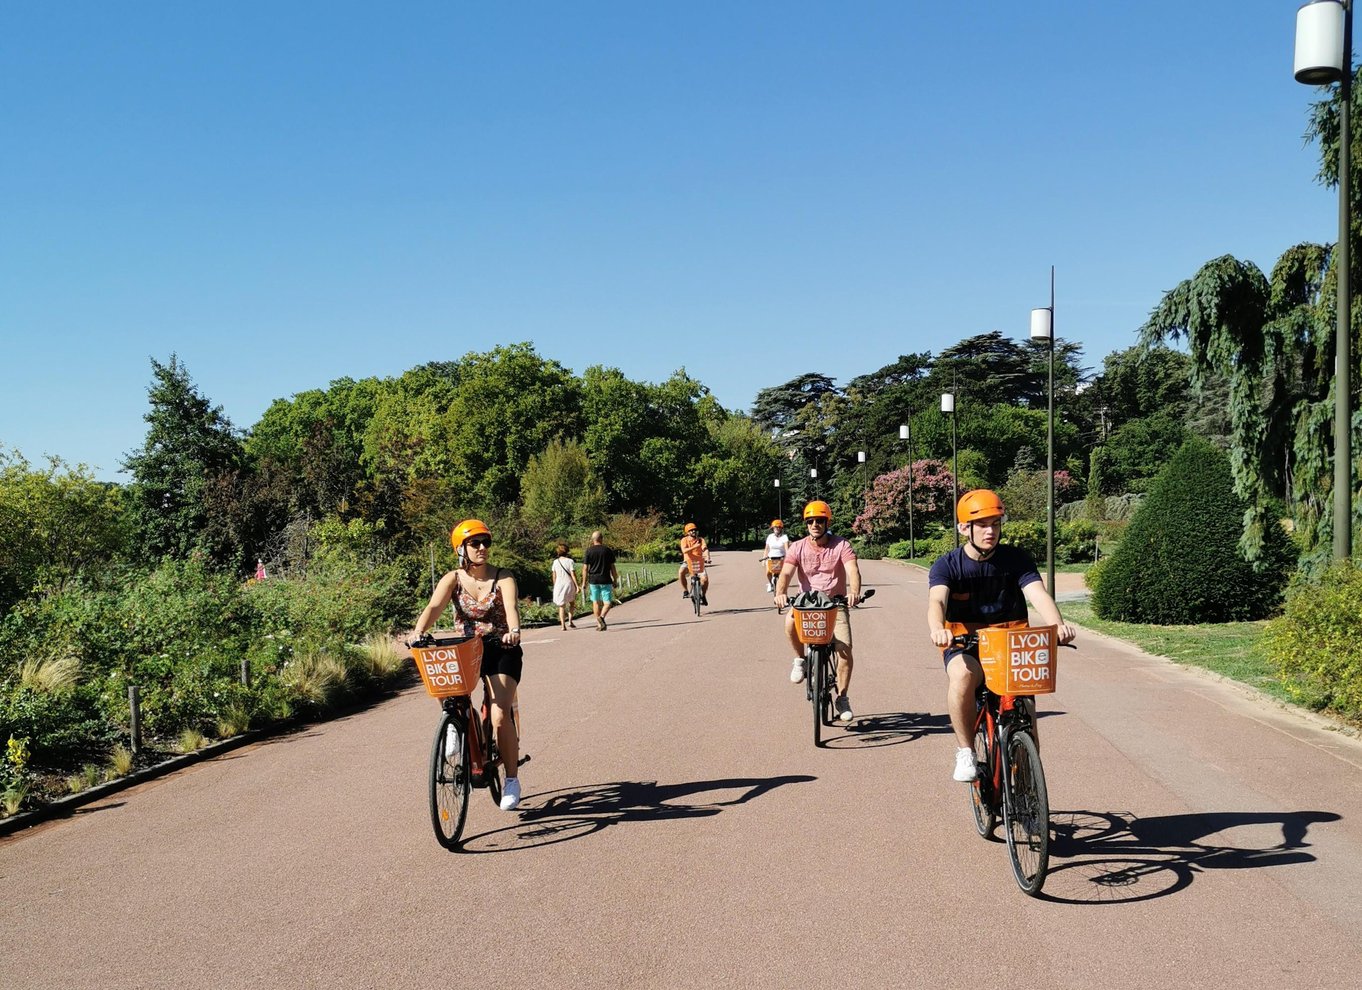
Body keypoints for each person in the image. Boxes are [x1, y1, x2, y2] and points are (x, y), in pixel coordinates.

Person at [926, 489, 1077, 783]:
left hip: (1011, 641)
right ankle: (966, 751)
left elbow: (1038, 594)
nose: (990, 531)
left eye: (995, 523)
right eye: (982, 524)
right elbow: (937, 602)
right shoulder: (947, 565)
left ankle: (1026, 779)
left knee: (1026, 711)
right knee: (963, 677)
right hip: (964, 641)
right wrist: (937, 629)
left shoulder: (1016, 560)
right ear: (963, 528)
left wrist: (1057, 625)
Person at [411, 519, 525, 811]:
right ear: (461, 548)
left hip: (502, 648)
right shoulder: (453, 579)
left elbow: (511, 608)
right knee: (446, 687)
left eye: (486, 542)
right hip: (467, 649)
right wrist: (417, 633)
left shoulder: (503, 577)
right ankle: (454, 727)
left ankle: (511, 779)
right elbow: (434, 607)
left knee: (500, 714)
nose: (483, 548)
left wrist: (513, 630)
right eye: (475, 543)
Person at [774, 500, 862, 721]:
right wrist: (780, 592)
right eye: (810, 521)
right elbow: (785, 574)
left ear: (826, 522)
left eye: (819, 521)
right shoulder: (797, 547)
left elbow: (853, 570)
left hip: (835, 603)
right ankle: (800, 660)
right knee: (789, 622)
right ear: (806, 524)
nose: (815, 524)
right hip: (807, 602)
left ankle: (842, 697)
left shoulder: (842, 545)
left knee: (844, 648)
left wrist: (854, 592)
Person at [580, 531, 619, 631]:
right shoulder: (607, 550)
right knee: (607, 603)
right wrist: (615, 579)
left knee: (595, 602)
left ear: (593, 539)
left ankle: (599, 623)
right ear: (601, 538)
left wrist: (584, 582)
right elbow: (612, 567)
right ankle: (601, 618)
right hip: (605, 579)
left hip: (593, 580)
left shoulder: (589, 551)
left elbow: (585, 568)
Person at [677, 523, 711, 602]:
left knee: (705, 580)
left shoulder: (700, 540)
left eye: (695, 530)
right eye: (691, 530)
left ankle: (703, 595)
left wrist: (708, 557)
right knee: (681, 572)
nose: (693, 531)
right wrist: (695, 546)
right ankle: (685, 591)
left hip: (699, 562)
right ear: (687, 532)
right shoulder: (684, 540)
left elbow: (705, 549)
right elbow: (684, 551)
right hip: (688, 562)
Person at [550, 543, 578, 631]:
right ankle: (570, 621)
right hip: (569, 584)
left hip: (559, 584)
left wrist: (555, 586)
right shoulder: (570, 561)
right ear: (567, 551)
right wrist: (577, 585)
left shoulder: (555, 562)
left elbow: (554, 575)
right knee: (572, 603)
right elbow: (573, 574)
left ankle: (563, 625)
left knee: (561, 606)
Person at [761, 519, 789, 593]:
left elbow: (787, 549)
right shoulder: (770, 537)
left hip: (781, 558)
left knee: (782, 574)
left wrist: (788, 558)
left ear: (781, 528)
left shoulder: (784, 537)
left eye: (779, 527)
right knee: (768, 572)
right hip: (771, 557)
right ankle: (770, 583)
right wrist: (764, 558)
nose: (777, 529)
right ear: (773, 528)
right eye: (775, 527)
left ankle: (781, 587)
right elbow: (766, 548)